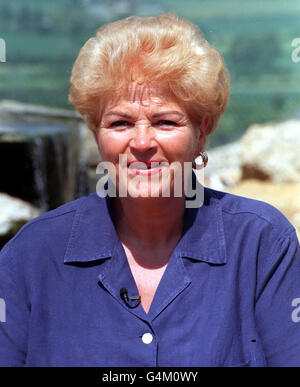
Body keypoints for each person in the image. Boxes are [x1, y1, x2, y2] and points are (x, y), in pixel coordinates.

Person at [0, 13, 299, 367]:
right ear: (96, 133)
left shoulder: (262, 244)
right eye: (120, 122)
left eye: (165, 121)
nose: (142, 142)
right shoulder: (31, 255)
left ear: (201, 132)